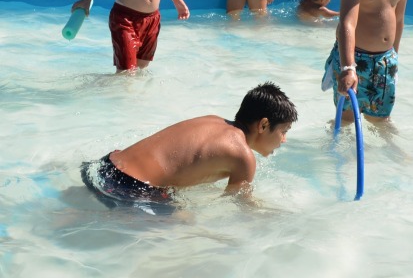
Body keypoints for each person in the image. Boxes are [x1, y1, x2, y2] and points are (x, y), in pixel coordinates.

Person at [81, 82, 298, 212]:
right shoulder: (243, 156)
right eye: (284, 131)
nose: (284, 140)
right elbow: (239, 206)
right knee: (187, 229)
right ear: (263, 125)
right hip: (130, 187)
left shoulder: (213, 120)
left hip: (106, 166)